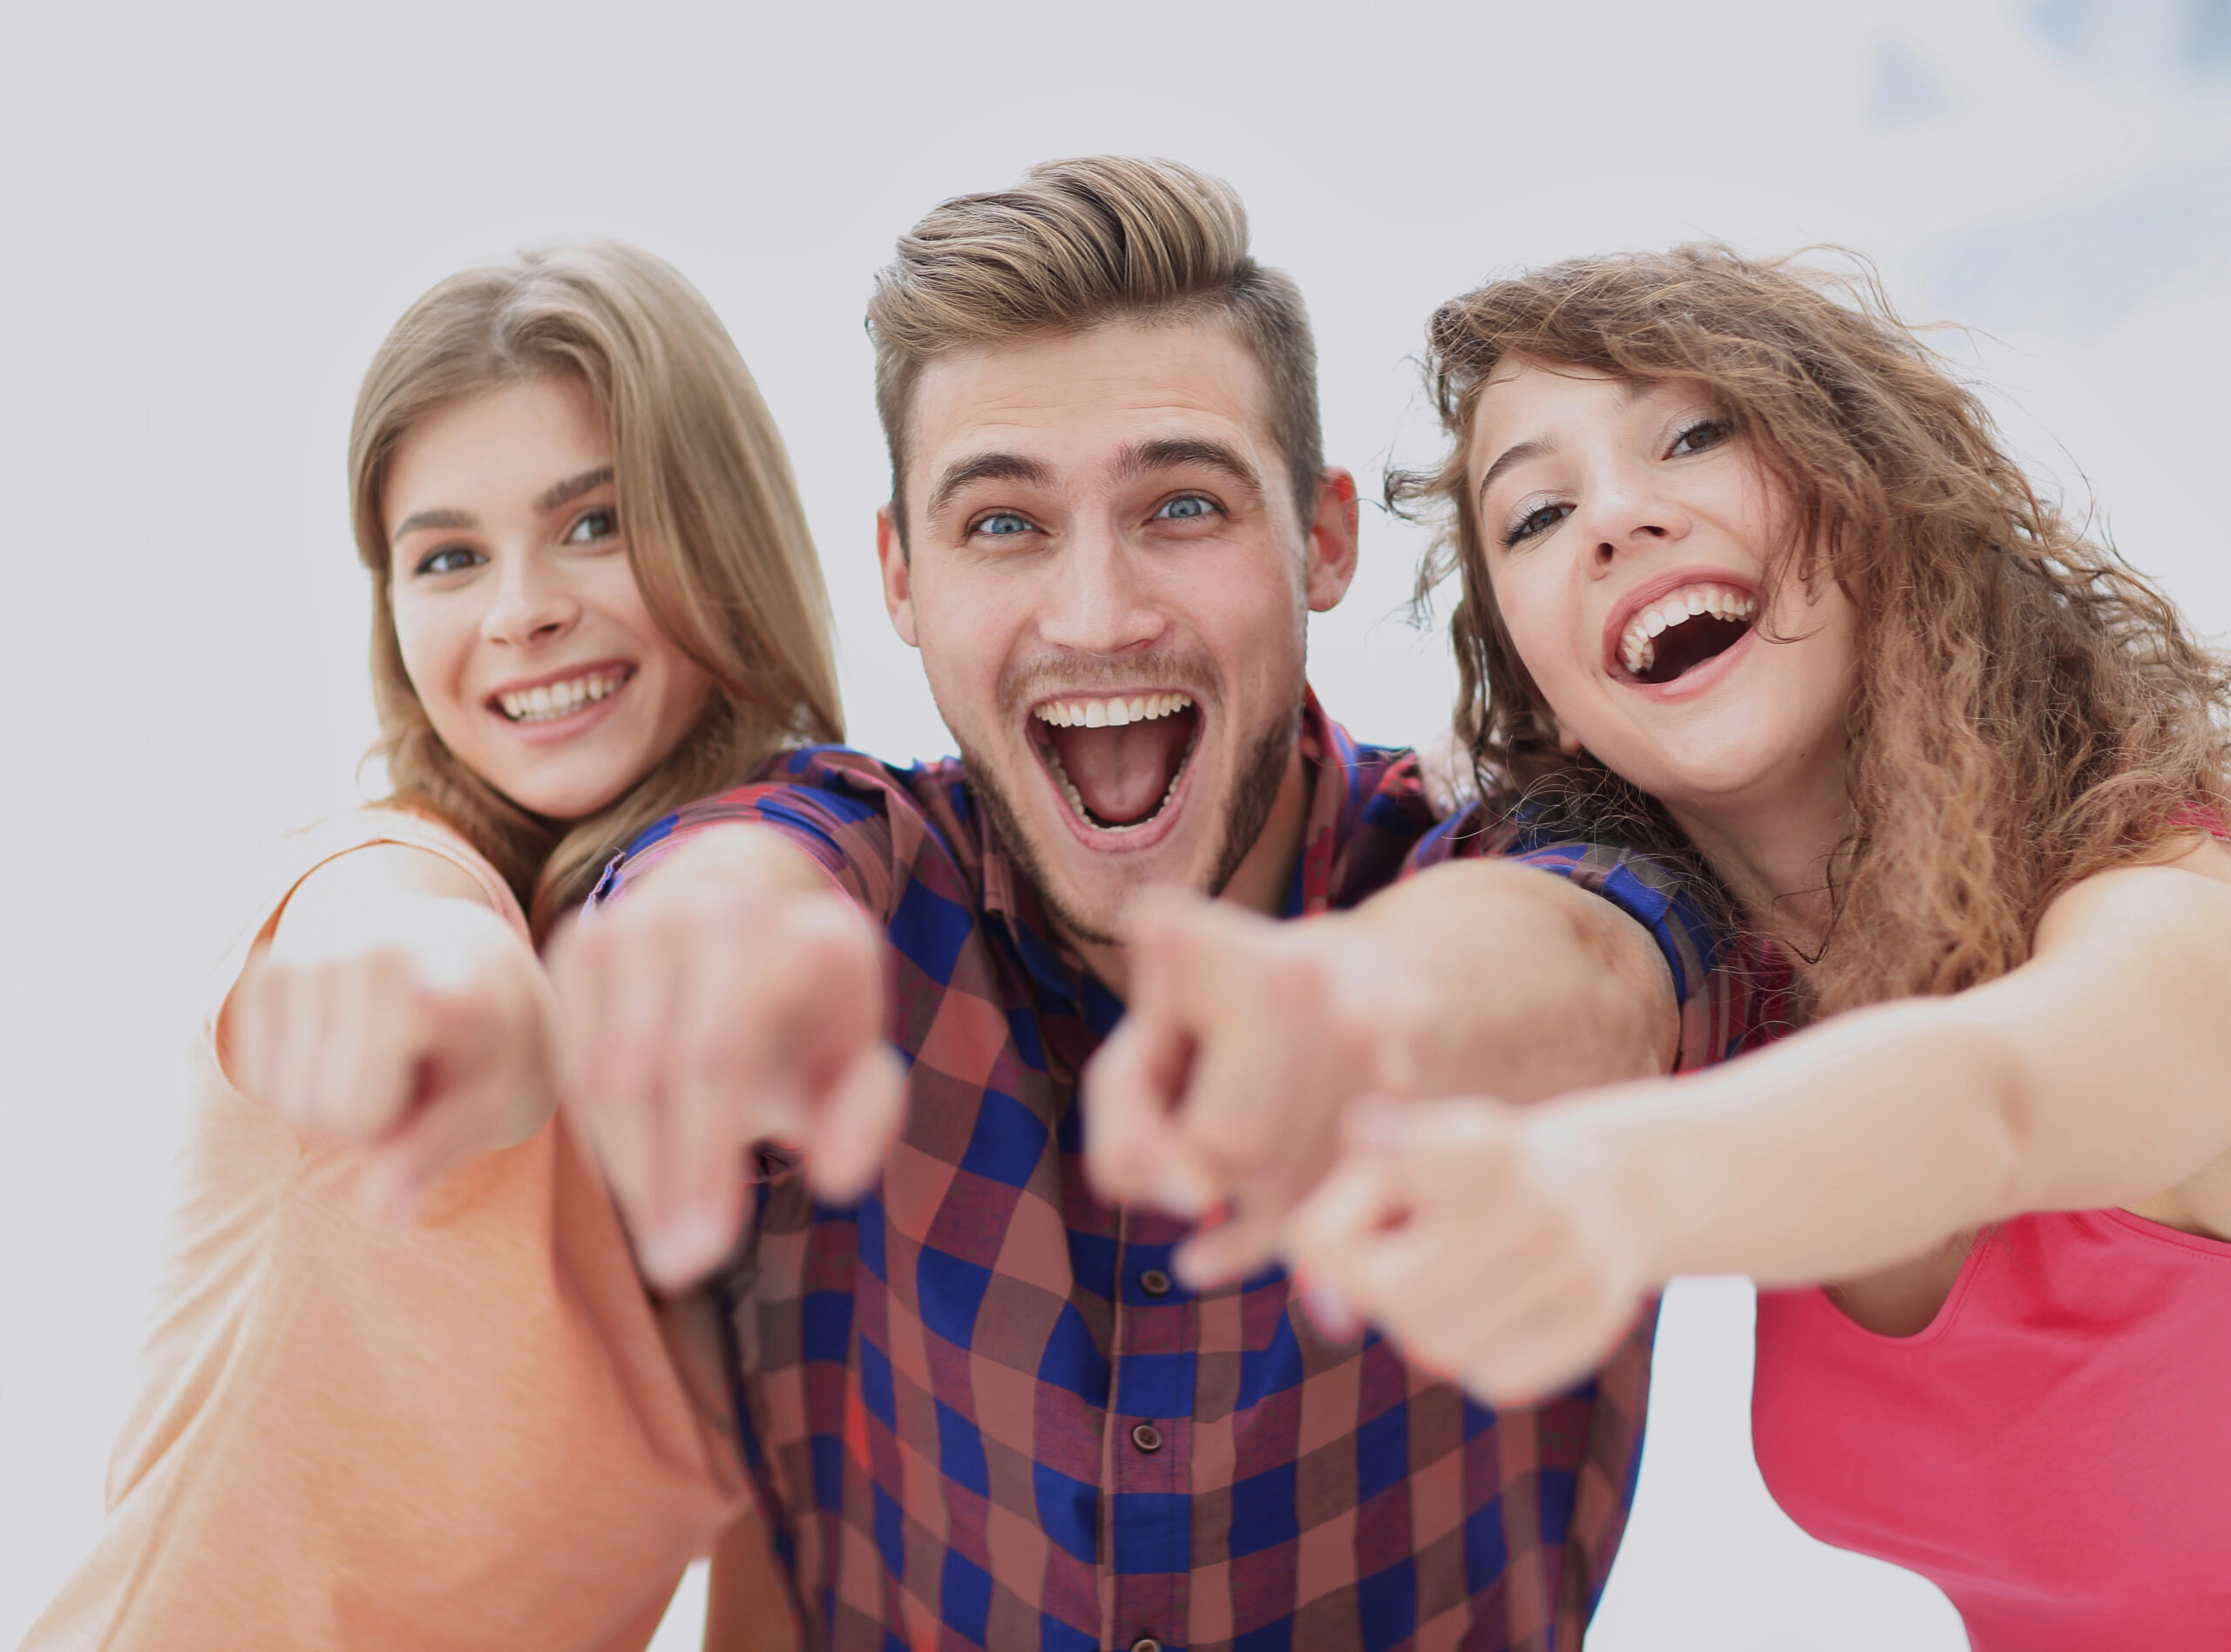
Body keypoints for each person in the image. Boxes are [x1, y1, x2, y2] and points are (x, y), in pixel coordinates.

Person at [553, 158, 1750, 1652]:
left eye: (1181, 505)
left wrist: (1364, 1015)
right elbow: (737, 879)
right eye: (1002, 525)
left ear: (1321, 540)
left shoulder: (1502, 860)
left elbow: (1592, 963)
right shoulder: (857, 872)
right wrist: (699, 950)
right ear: (901, 576)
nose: (1099, 612)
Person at [1281, 245, 2231, 1649]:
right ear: (1544, 703)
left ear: (1869, 493)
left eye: (1695, 433)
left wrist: (1591, 1191)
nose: (1612, 518)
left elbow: (1994, 1103)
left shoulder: (2171, 896)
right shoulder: (1737, 1009)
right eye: (1536, 514)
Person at [27, 240, 841, 1652]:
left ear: (722, 531)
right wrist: (460, 1016)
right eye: (448, 556)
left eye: (592, 524)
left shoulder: (762, 1108)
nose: (516, 607)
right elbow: (413, 958)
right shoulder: (383, 874)